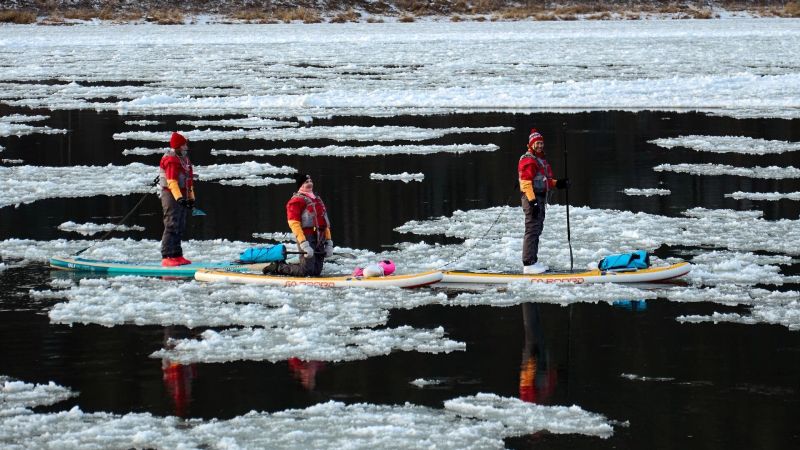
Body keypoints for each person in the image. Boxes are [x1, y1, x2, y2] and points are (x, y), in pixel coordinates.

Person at [518, 128, 569, 274]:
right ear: (531, 144)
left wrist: (559, 183)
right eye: (537, 143)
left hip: (539, 198)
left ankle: (533, 261)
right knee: (532, 229)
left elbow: (544, 181)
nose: (540, 145)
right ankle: (528, 264)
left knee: (537, 229)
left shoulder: (539, 159)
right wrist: (532, 202)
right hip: (531, 199)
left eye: (541, 143)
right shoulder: (528, 160)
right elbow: (526, 183)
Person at [263, 173, 334, 276]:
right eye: (306, 182)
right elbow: (294, 223)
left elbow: (325, 223)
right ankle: (279, 267)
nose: (310, 183)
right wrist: (304, 244)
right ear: (301, 185)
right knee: (307, 271)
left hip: (320, 236)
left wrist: (329, 242)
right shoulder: (296, 201)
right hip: (306, 237)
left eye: (310, 181)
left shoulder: (317, 200)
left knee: (316, 271)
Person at [159, 132, 195, 267]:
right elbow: (172, 181)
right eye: (184, 144)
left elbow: (189, 181)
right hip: (171, 195)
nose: (186, 146)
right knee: (171, 224)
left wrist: (191, 198)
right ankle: (167, 255)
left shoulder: (185, 160)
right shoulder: (172, 160)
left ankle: (177, 254)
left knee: (180, 224)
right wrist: (179, 198)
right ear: (178, 146)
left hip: (182, 193)